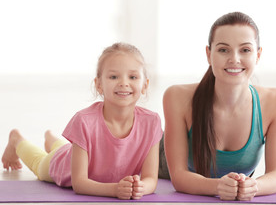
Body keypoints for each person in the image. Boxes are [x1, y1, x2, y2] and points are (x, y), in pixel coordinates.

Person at [2, 42, 163, 200]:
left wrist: (140, 188)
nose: (124, 83)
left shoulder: (152, 122)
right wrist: (114, 189)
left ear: (145, 85)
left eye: (133, 77)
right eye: (114, 76)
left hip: (75, 153)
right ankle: (17, 140)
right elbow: (79, 183)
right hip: (63, 166)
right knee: (40, 164)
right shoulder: (84, 121)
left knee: (67, 149)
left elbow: (150, 179)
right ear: (99, 85)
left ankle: (51, 139)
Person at [163, 12, 276, 201]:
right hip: (160, 161)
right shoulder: (176, 97)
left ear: (258, 55)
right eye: (223, 50)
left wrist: (254, 186)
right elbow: (179, 177)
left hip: (230, 186)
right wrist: (218, 186)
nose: (234, 59)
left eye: (245, 50)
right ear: (208, 54)